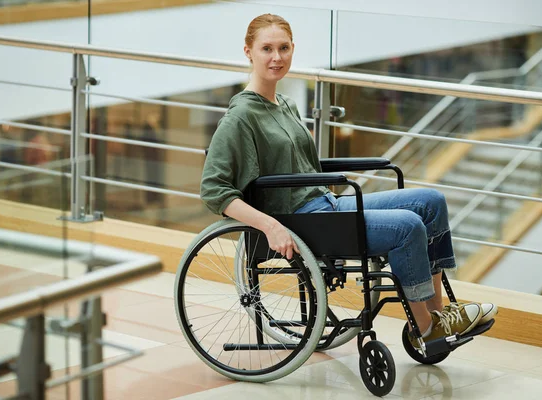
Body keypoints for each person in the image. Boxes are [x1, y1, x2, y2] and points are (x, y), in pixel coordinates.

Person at [200, 13, 497, 348]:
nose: (277, 57)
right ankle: (427, 330)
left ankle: (440, 315)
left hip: (325, 204)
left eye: (283, 47)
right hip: (302, 221)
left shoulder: (284, 104)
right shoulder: (239, 116)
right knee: (408, 226)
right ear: (248, 51)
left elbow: (305, 165)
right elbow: (214, 190)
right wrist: (270, 227)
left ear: (293, 49)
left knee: (431, 202)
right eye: (267, 48)